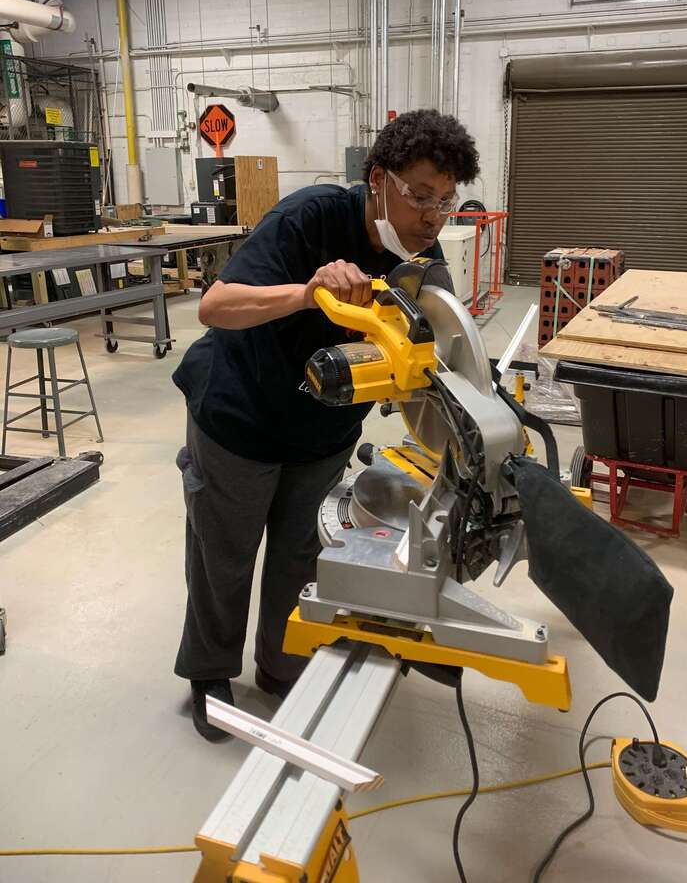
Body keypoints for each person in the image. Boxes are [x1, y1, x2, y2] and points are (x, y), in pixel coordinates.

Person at [173, 108, 480, 741]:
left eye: (446, 203)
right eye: (420, 196)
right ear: (378, 180)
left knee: (299, 554)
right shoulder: (310, 217)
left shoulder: (423, 262)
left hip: (323, 432)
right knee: (224, 556)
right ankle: (209, 675)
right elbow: (215, 305)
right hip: (240, 417)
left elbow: (450, 354)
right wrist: (308, 292)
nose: (431, 217)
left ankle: (282, 665)